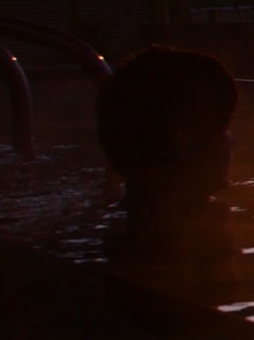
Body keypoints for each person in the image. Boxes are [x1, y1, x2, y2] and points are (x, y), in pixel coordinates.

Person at [96, 46, 238, 231]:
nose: (232, 141)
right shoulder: (201, 246)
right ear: (186, 141)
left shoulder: (118, 221)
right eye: (223, 128)